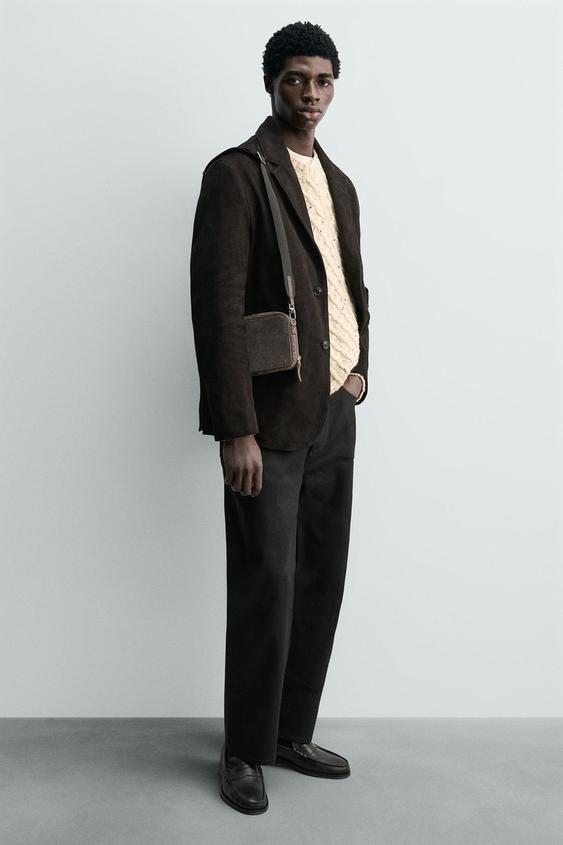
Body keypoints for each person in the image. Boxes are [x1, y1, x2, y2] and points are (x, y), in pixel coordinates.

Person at [189, 20, 370, 815]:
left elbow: (351, 284)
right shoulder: (237, 173)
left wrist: (361, 372)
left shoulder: (340, 183)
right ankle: (244, 747)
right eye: (296, 78)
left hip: (334, 410)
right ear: (271, 83)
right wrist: (235, 427)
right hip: (267, 418)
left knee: (321, 578)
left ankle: (291, 731)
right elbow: (218, 306)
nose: (310, 94)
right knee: (266, 580)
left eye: (323, 80)